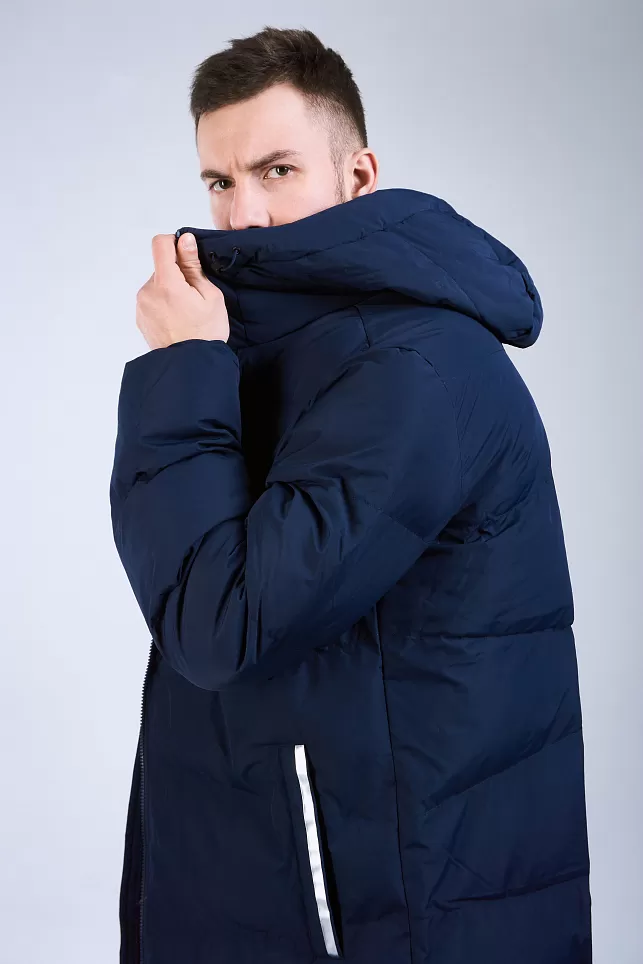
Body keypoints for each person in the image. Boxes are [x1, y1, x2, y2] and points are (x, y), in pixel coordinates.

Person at [109, 24, 592, 964]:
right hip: (312, 875)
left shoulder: (405, 367)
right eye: (219, 181)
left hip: (380, 907)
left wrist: (184, 367)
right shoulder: (303, 347)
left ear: (358, 174)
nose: (245, 214)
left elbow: (220, 625)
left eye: (277, 170)